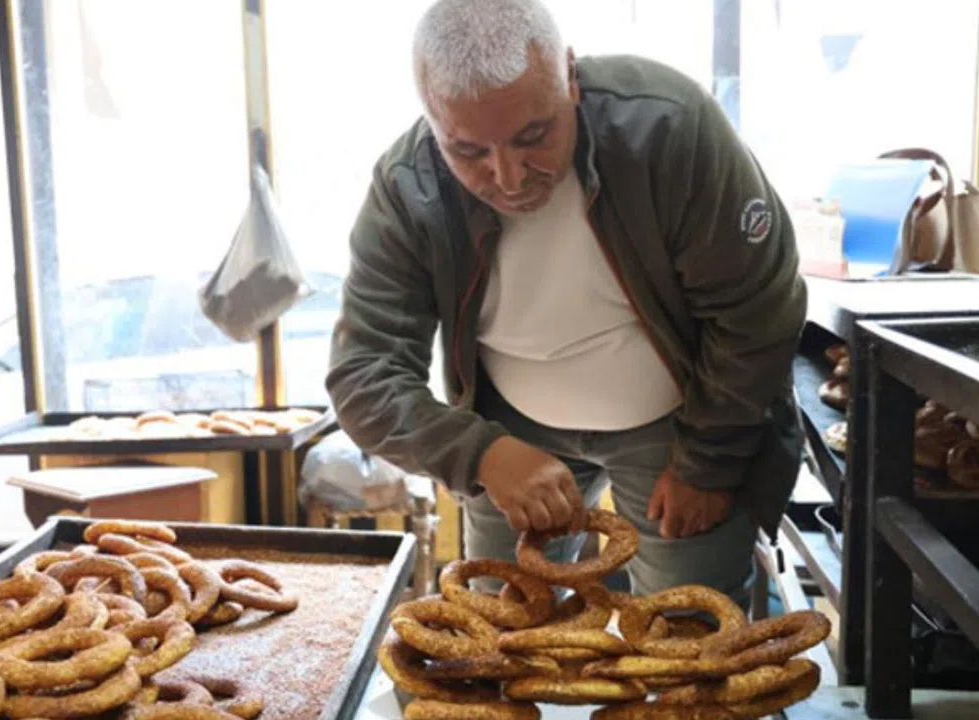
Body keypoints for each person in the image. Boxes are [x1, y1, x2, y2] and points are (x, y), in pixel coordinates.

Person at [325, 0, 806, 609]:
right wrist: (481, 454)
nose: (508, 177)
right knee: (502, 625)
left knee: (688, 627)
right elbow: (363, 373)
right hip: (511, 429)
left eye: (533, 137)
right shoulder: (408, 187)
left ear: (570, 77)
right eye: (468, 152)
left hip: (683, 419)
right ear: (432, 122)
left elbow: (757, 308)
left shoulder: (667, 129)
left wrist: (710, 462)